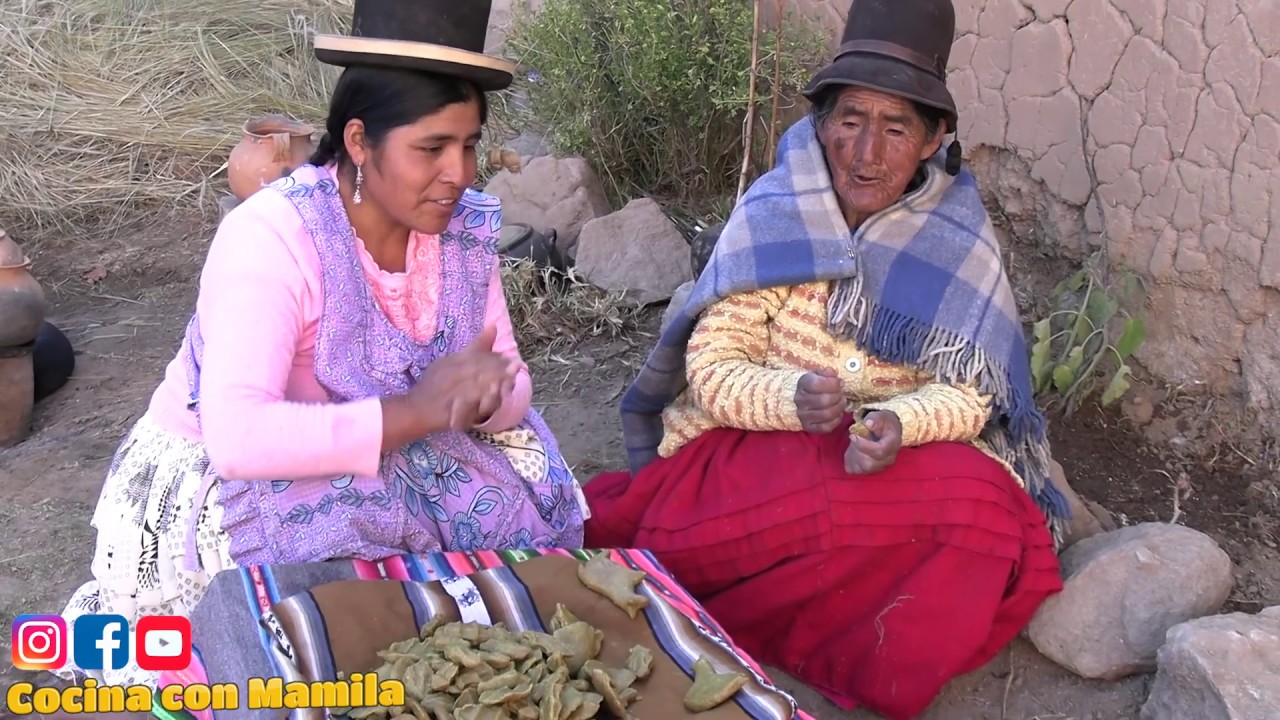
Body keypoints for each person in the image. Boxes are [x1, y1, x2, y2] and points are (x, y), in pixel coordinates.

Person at [56, 0, 586, 690]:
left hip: (407, 450)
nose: (458, 172)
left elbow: (508, 376)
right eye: (432, 148)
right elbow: (240, 438)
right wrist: (420, 410)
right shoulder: (273, 236)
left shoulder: (462, 231)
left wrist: (487, 398)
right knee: (324, 624)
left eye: (470, 145)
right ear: (360, 142)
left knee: (506, 580)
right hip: (258, 473)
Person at [583, 0, 1066, 718]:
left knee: (989, 513)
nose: (865, 153)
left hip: (887, 461)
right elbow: (713, 366)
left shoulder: (960, 241)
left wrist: (900, 424)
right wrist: (792, 397)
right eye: (849, 121)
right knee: (676, 540)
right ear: (822, 123)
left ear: (934, 139)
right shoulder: (778, 211)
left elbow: (970, 393)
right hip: (753, 453)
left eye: (896, 127)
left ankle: (825, 638)